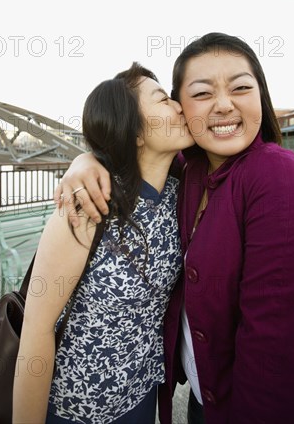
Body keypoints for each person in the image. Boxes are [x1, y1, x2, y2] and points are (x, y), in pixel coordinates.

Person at [55, 33, 294, 424]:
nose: (225, 105)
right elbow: (131, 145)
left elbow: (273, 347)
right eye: (203, 94)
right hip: (197, 396)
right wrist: (85, 159)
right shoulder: (188, 172)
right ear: (180, 106)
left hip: (242, 406)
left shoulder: (276, 175)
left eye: (241, 87)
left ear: (262, 94)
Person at [13, 62, 194, 424]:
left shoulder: (183, 193)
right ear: (135, 131)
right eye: (162, 99)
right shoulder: (89, 206)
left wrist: (84, 158)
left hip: (141, 398)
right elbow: (37, 329)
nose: (179, 105)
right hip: (74, 407)